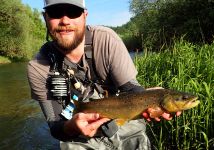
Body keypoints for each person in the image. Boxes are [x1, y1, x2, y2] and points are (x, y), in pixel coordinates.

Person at [27, 0, 181, 149]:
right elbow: (55, 127)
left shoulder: (107, 39)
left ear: (85, 15)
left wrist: (151, 97)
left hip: (123, 123)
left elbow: (131, 89)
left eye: (73, 12)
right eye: (55, 13)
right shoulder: (38, 68)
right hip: (80, 137)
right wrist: (71, 127)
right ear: (45, 17)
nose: (65, 21)